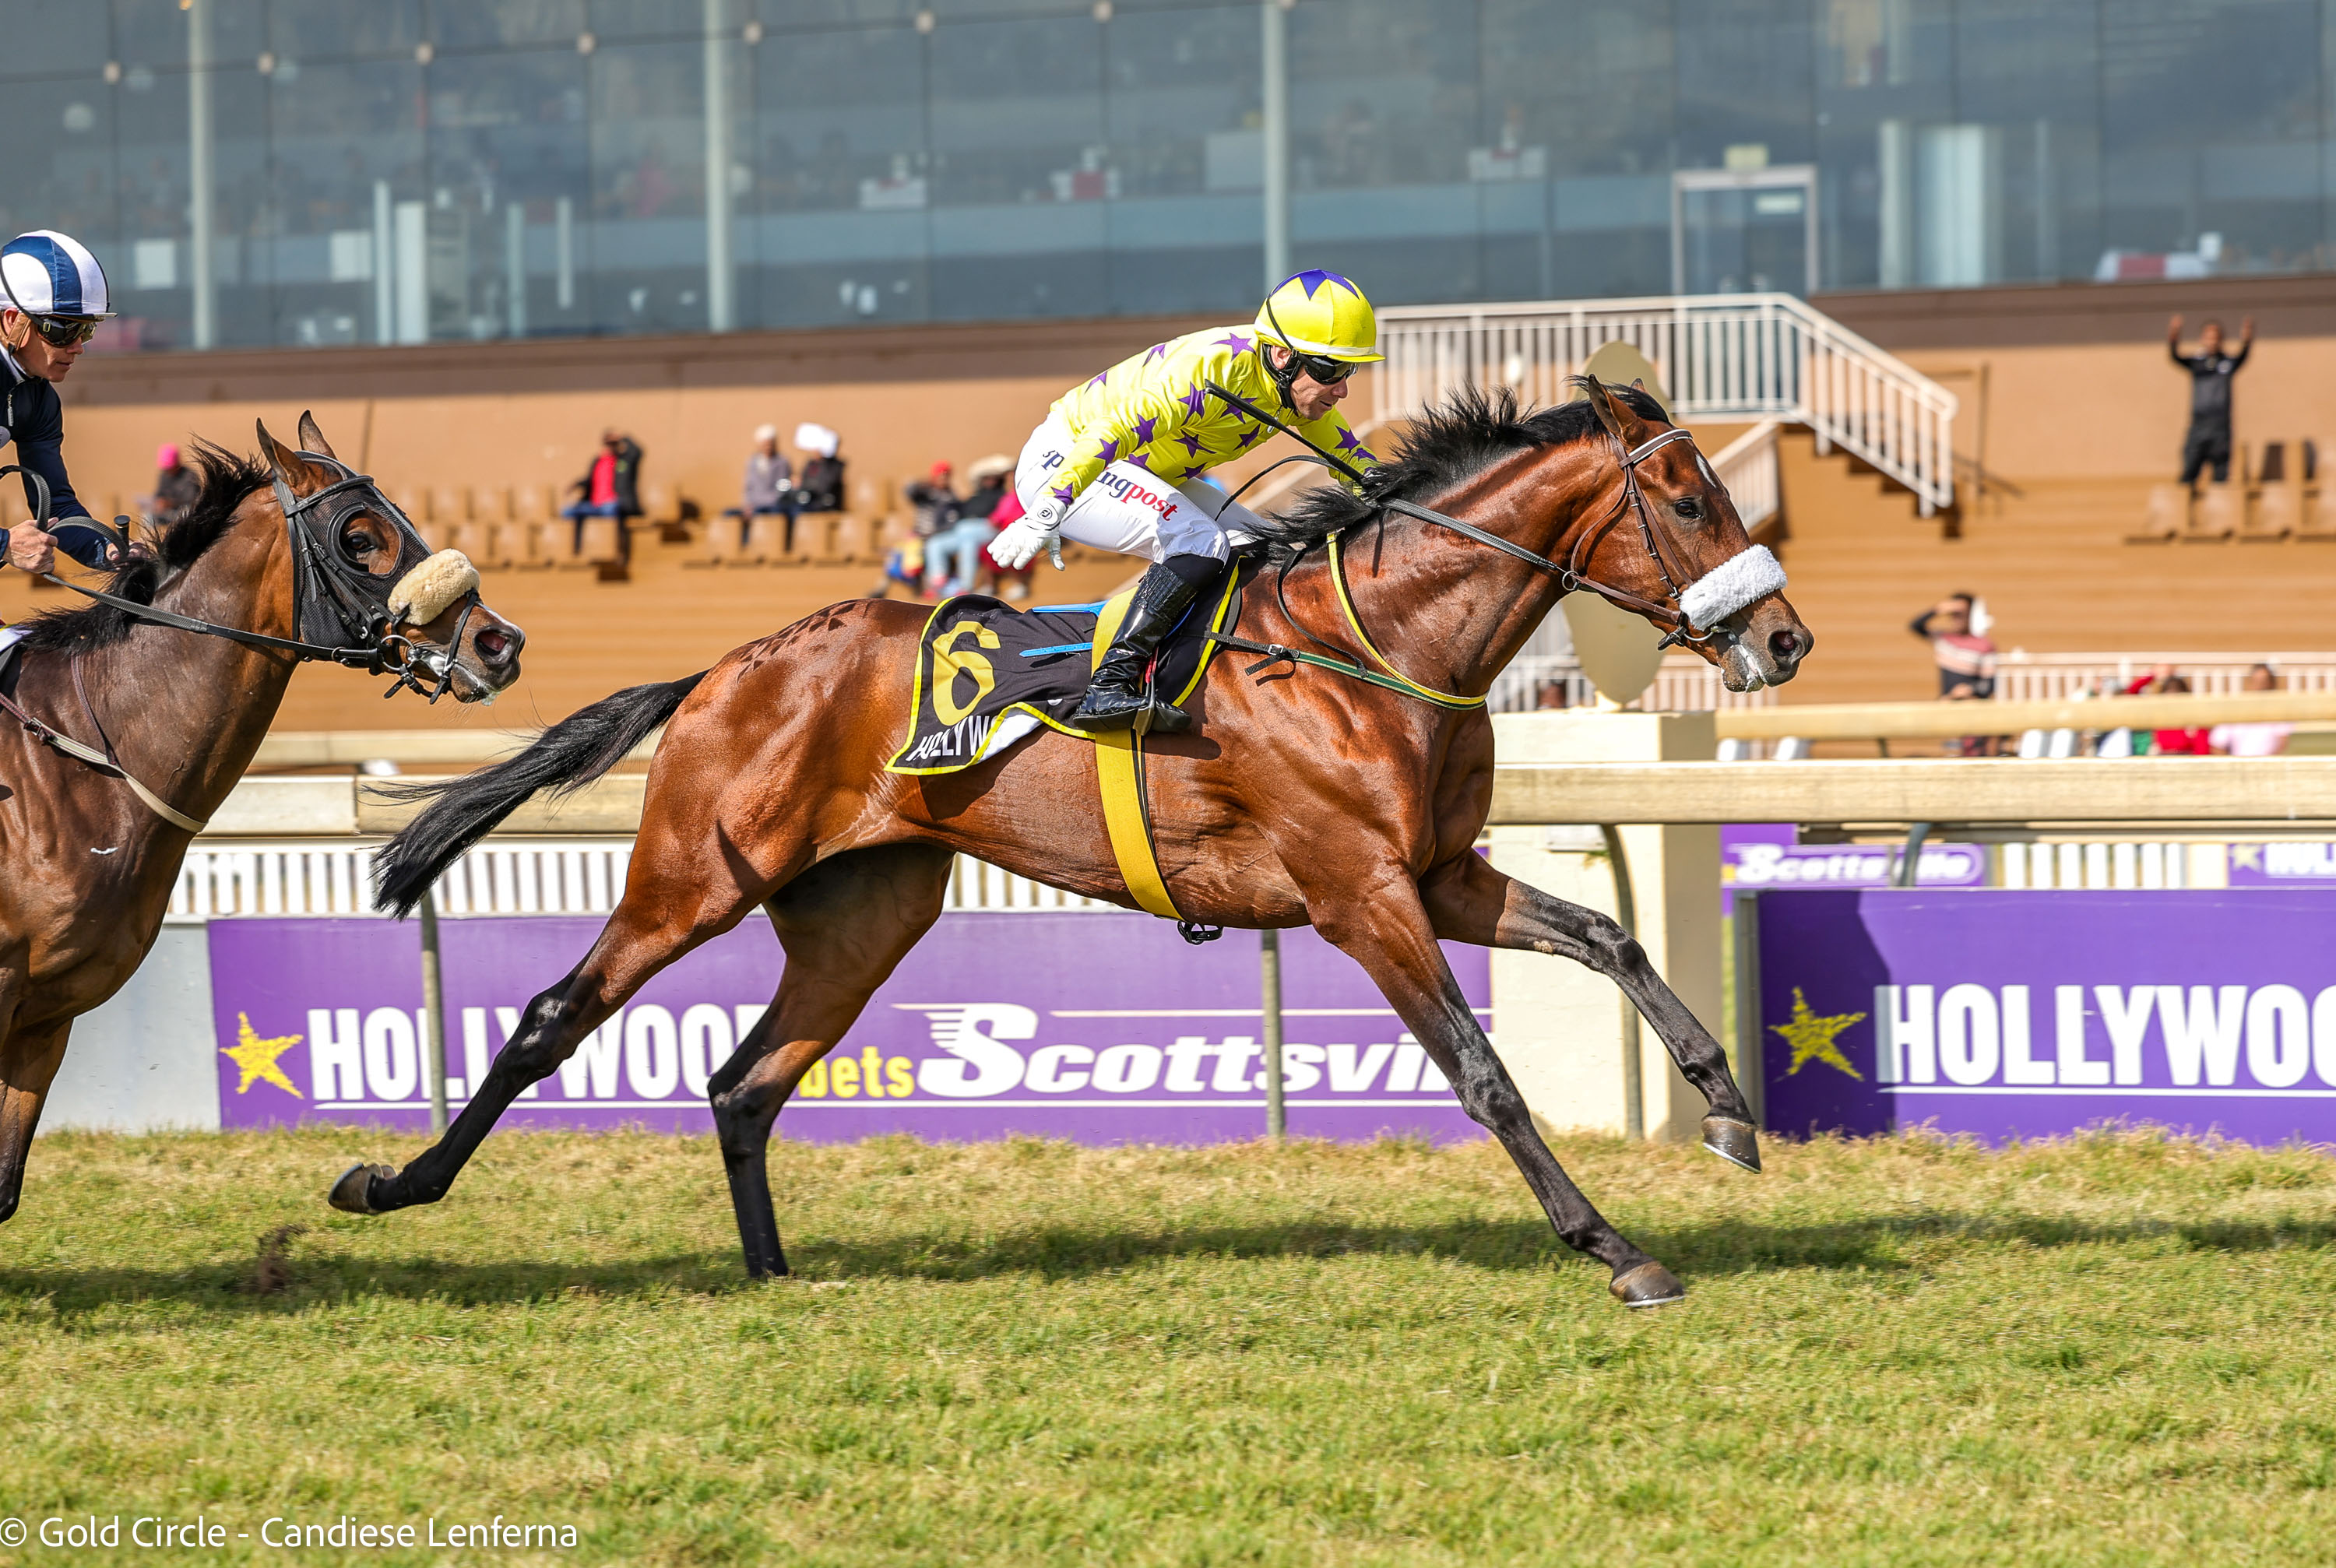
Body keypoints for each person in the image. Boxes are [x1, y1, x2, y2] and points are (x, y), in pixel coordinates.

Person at [990, 269, 1384, 731]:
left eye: (1349, 369)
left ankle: (1200, 671)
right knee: (1200, 542)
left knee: (1263, 546)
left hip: (1141, 470)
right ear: (1282, 355)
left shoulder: (1293, 387)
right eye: (1330, 370)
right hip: (1070, 460)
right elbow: (1111, 433)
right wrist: (1048, 509)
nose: (1343, 388)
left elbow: (1351, 460)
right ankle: (1108, 686)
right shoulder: (1207, 370)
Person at [2, 230, 132, 578]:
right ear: (12, 321)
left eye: (86, 330)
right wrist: (4, 544)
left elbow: (57, 503)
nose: (78, 347)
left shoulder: (39, 399)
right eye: (63, 330)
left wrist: (108, 550)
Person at [2169, 314, 2253, 490]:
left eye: (2216, 337)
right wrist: (2174, 335)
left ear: (2221, 339)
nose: (2212, 341)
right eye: (2209, 337)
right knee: (2189, 473)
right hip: (2199, 425)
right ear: (2202, 339)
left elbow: (2242, 357)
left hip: (2221, 427)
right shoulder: (2196, 363)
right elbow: (2175, 357)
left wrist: (2247, 340)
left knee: (2220, 479)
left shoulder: (2227, 363)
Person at [562, 428, 642, 554]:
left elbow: (637, 452)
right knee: (567, 511)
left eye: (613, 443)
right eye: (608, 443)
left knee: (611, 509)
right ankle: (577, 549)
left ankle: (615, 549)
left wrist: (623, 437)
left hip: (613, 504)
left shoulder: (623, 461)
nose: (610, 446)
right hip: (595, 505)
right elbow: (589, 480)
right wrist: (575, 485)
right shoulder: (597, 461)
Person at [1909, 593, 1997, 698]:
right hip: (1947, 701)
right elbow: (1916, 626)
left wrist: (1971, 689)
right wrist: (1938, 609)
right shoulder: (1943, 639)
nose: (1957, 619)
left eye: (1962, 615)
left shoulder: (1984, 645)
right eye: (1954, 614)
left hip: (1971, 702)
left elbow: (1991, 683)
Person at [723, 424, 792, 551]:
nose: (768, 447)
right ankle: (743, 547)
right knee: (729, 514)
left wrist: (760, 504)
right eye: (765, 444)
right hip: (754, 505)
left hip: (772, 504)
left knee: (763, 513)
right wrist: (748, 505)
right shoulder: (752, 462)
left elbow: (782, 489)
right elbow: (748, 487)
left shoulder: (782, 462)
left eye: (770, 444)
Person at [2211, 663, 2292, 758]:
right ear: (2250, 682)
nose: (2260, 686)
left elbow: (2283, 743)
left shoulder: (2279, 710)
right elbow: (2218, 744)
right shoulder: (2235, 709)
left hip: (2268, 763)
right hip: (2240, 763)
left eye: (2264, 682)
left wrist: (2268, 763)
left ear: (2271, 684)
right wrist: (2231, 764)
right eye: (2256, 681)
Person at [791, 423, 845, 513]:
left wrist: (806, 485)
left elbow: (825, 486)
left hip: (822, 503)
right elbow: (803, 478)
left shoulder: (834, 466)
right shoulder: (811, 463)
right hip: (808, 499)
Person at [148, 441, 200, 528]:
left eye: (170, 467)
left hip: (180, 511)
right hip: (165, 511)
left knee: (186, 513)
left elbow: (191, 499)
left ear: (177, 463)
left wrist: (171, 503)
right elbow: (159, 493)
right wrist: (159, 502)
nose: (168, 470)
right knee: (148, 515)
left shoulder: (189, 476)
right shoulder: (164, 475)